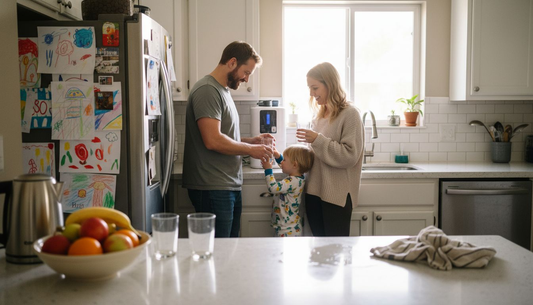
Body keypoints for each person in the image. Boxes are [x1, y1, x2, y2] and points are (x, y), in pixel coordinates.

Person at [182, 41, 273, 238]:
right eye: (246, 72)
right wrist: (250, 150)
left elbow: (223, 134)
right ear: (232, 62)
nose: (246, 79)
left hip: (224, 184)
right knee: (218, 253)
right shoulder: (207, 90)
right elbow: (213, 140)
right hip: (212, 186)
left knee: (229, 250)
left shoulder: (222, 90)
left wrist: (251, 141)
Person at [296, 62, 365, 236]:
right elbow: (317, 155)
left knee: (335, 252)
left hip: (336, 196)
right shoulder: (319, 116)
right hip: (314, 192)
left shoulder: (350, 114)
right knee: (319, 253)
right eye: (309, 88)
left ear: (330, 85)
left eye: (315, 88)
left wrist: (317, 140)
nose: (311, 93)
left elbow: (350, 155)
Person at [261, 145, 315, 237]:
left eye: (284, 160)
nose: (282, 162)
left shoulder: (291, 181)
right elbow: (286, 166)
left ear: (294, 165)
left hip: (286, 229)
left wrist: (268, 170)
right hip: (289, 226)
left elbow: (273, 188)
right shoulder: (297, 177)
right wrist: (278, 156)